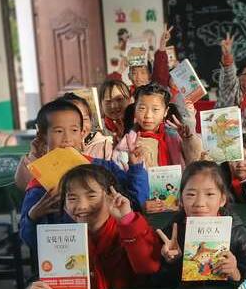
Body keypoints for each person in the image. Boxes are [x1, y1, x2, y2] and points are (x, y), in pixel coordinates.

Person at [26, 164, 160, 289]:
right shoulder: (62, 239)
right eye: (72, 198)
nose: (81, 206)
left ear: (111, 196)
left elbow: (148, 266)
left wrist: (127, 221)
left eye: (91, 196)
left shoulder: (131, 227)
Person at [18, 100, 149, 251]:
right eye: (58, 131)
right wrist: (32, 216)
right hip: (68, 259)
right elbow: (32, 242)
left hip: (112, 254)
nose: (67, 138)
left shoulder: (103, 168)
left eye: (74, 130)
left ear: (82, 133)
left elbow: (137, 203)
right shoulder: (39, 184)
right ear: (42, 136)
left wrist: (136, 168)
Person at [154, 161, 246, 286]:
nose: (200, 203)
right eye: (191, 194)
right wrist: (172, 262)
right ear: (181, 200)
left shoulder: (237, 233)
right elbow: (156, 284)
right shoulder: (171, 234)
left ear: (222, 199)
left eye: (210, 194)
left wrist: (236, 273)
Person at [113, 83, 203, 174]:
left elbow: (194, 161)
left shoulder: (176, 136)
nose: (148, 115)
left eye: (155, 109)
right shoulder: (129, 143)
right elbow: (120, 172)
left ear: (165, 112)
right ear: (135, 110)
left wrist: (188, 139)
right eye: (142, 108)